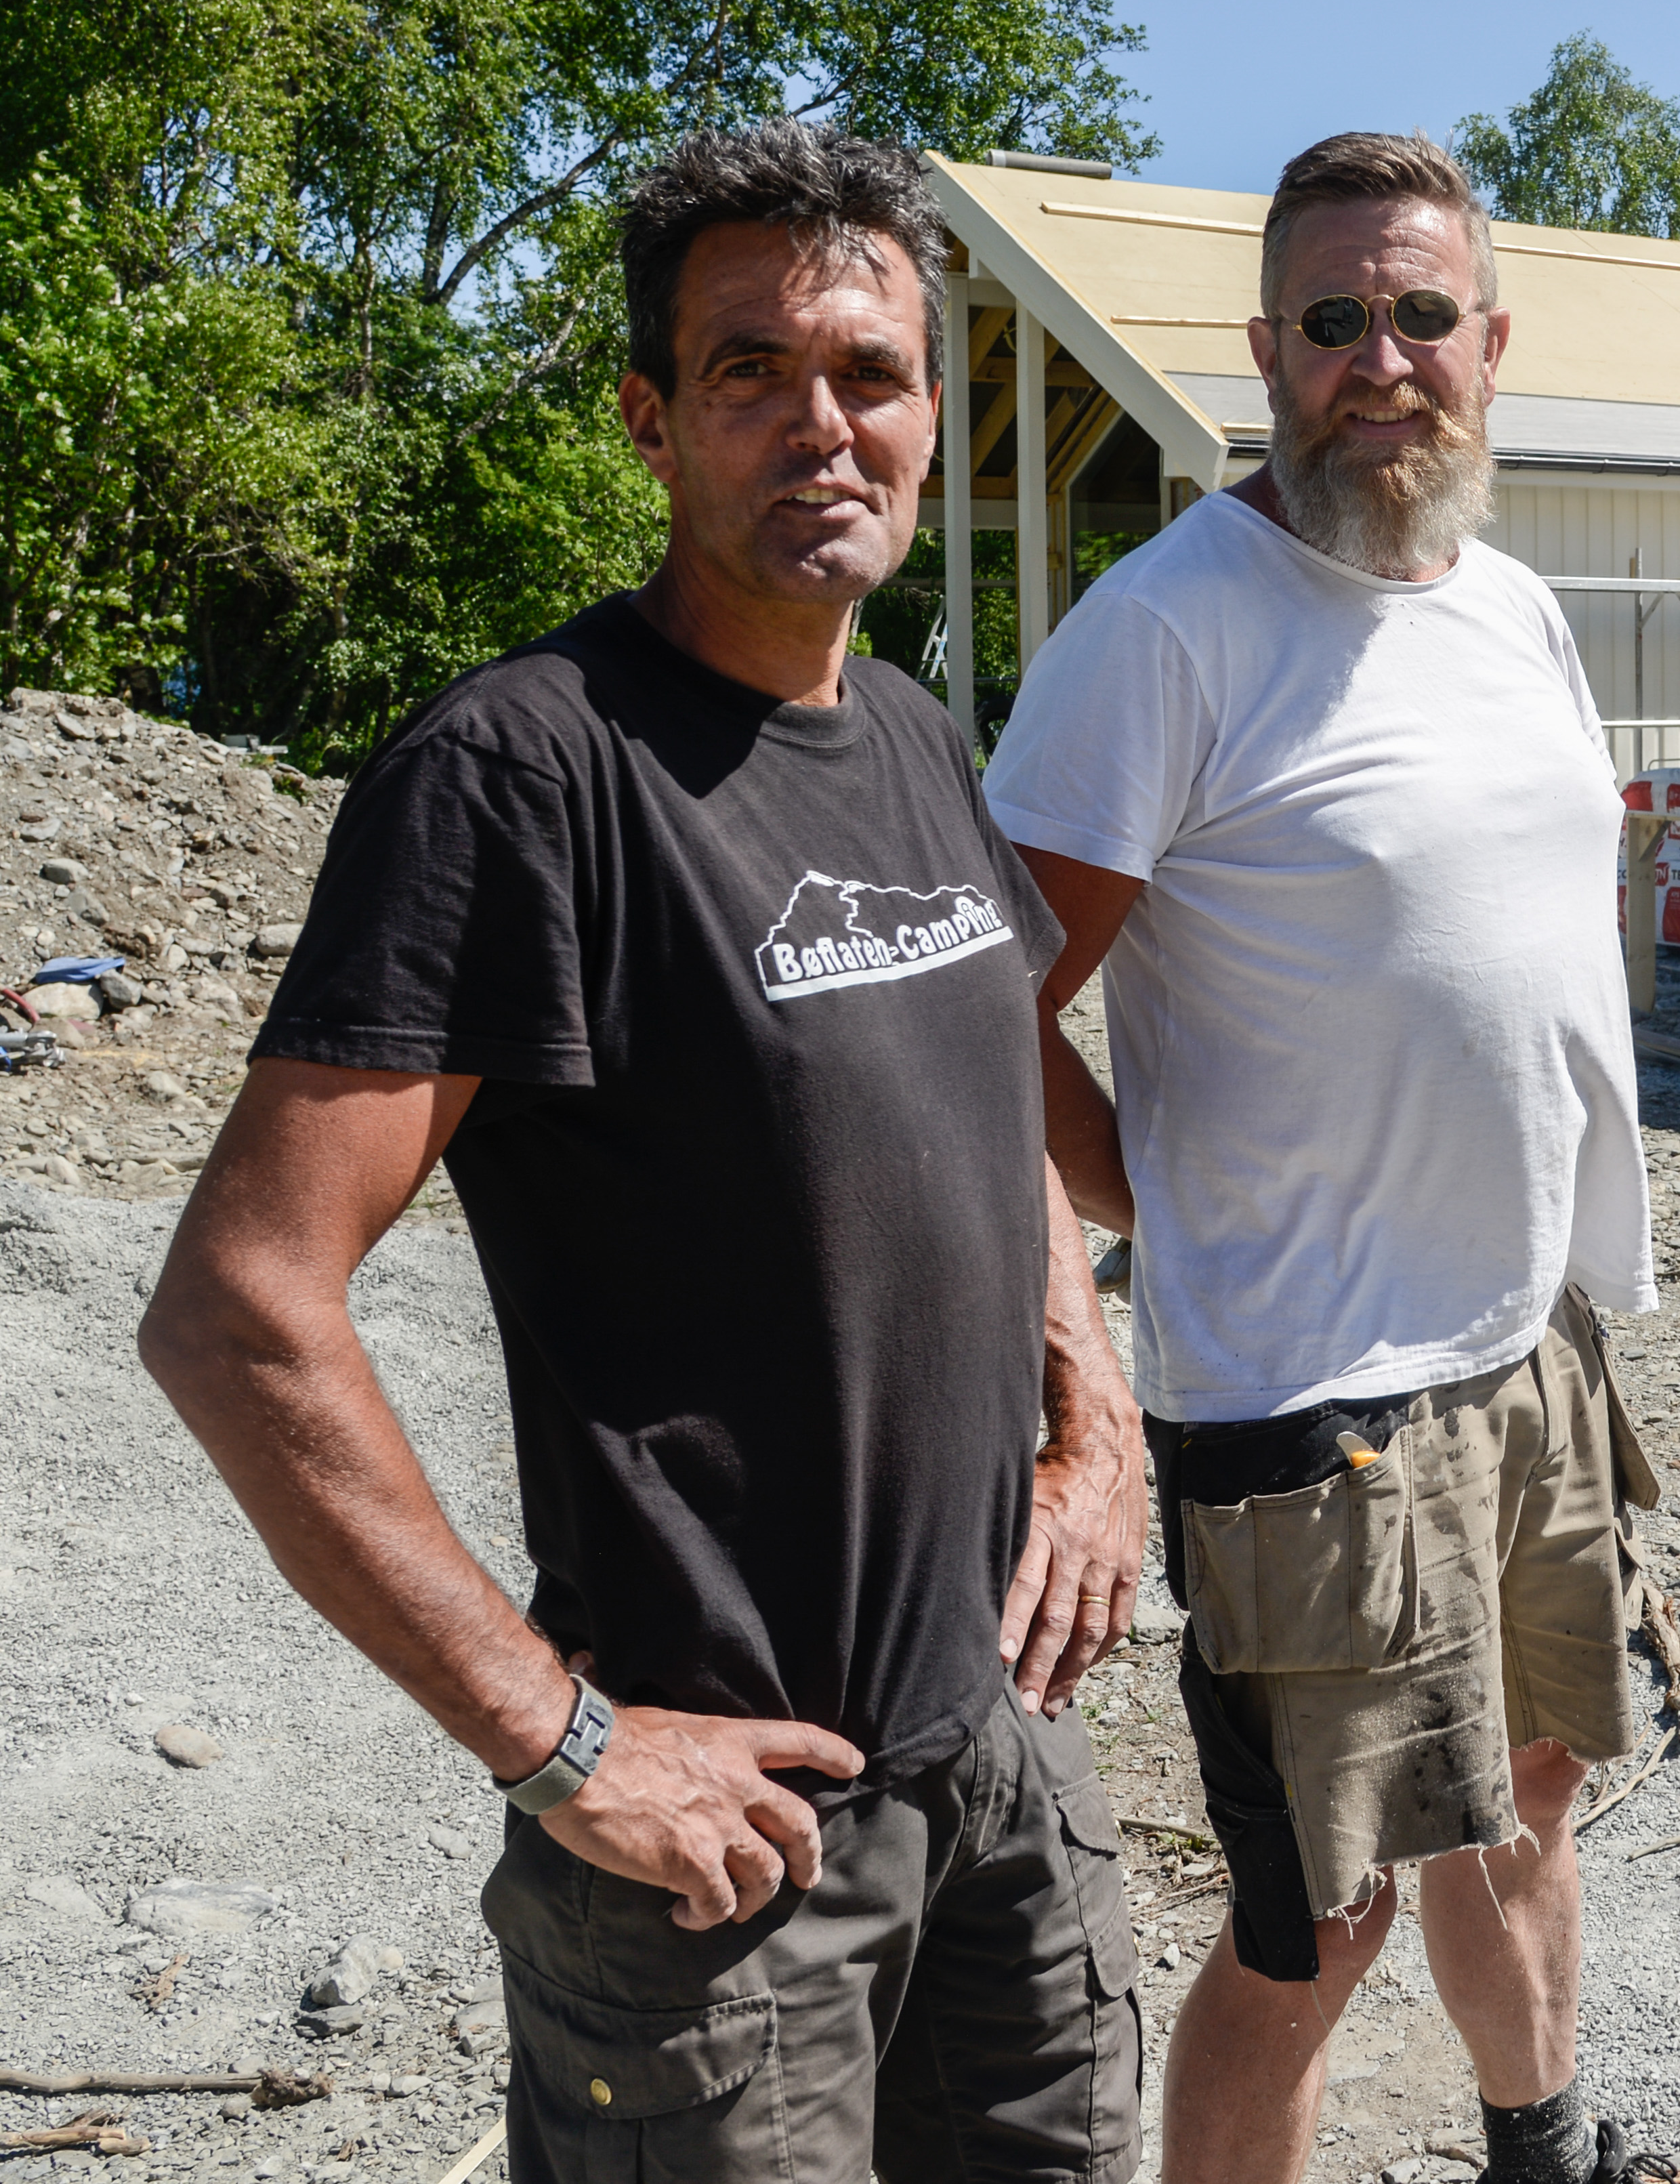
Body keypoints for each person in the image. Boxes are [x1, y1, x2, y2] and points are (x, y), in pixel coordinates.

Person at [138, 121, 1148, 2184]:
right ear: (648, 417)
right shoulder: (522, 772)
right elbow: (239, 1306)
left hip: (1001, 1778)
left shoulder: (922, 741)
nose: (818, 421)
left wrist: (1093, 1414)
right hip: (729, 1854)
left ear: (933, 415)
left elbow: (997, 1113)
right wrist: (562, 1737)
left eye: (866, 370)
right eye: (748, 368)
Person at [982, 131, 1658, 2184]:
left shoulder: (1520, 608)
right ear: (1264, 347)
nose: (1384, 355)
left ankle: (1537, 2146)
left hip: (1529, 1339)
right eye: (1337, 319)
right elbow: (978, 1005)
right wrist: (1140, 1203)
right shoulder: (1163, 628)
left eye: (1421, 312)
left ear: (1489, 340)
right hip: (1307, 1402)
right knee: (1323, 1907)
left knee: (1528, 1787)